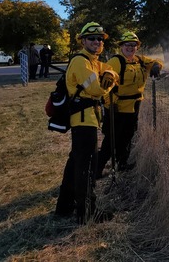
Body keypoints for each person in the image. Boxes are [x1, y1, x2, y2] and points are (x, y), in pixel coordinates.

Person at [55, 22, 118, 225]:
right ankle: (87, 212)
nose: (97, 42)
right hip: (83, 119)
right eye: (92, 38)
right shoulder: (82, 62)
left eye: (100, 39)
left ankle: (64, 207)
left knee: (75, 162)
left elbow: (110, 70)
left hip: (87, 117)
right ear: (82, 41)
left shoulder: (94, 61)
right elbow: (98, 90)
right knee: (87, 166)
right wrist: (108, 85)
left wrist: (111, 74)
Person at [96, 31, 163, 177]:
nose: (130, 48)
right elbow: (104, 84)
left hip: (134, 105)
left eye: (134, 45)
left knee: (127, 136)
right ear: (121, 46)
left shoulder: (139, 60)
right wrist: (110, 103)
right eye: (127, 45)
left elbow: (155, 61)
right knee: (111, 140)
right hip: (117, 106)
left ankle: (122, 163)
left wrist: (157, 65)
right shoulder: (115, 62)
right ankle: (97, 169)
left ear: (137, 47)